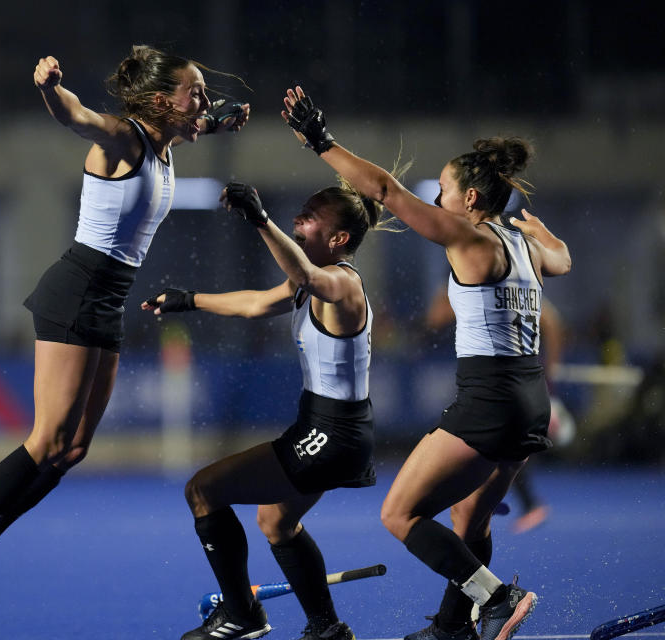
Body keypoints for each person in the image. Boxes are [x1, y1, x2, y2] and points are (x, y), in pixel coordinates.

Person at [0, 45, 250, 623]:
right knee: (46, 440)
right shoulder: (124, 139)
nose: (202, 100)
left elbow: (196, 124)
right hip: (77, 290)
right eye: (192, 91)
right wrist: (49, 89)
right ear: (157, 100)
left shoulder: (165, 149)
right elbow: (79, 118)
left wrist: (213, 121)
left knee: (71, 450)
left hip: (107, 300)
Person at [281, 87, 571, 640]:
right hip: (532, 402)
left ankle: (495, 597)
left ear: (469, 201)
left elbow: (385, 190)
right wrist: (539, 230)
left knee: (398, 514)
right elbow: (564, 258)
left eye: (442, 191)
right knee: (470, 520)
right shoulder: (525, 245)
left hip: (488, 401)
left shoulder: (465, 235)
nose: (436, 201)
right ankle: (450, 627)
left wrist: (323, 142)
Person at [143, 179, 395, 640]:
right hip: (331, 425)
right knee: (276, 520)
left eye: (311, 215)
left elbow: (307, 278)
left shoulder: (338, 282)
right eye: (300, 210)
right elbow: (256, 304)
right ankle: (325, 628)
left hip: (332, 433)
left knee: (203, 490)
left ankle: (242, 615)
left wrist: (260, 219)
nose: (300, 219)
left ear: (339, 239)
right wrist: (188, 300)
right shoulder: (308, 283)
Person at [424, 291, 573, 534]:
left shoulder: (502, 286)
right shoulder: (479, 288)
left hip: (507, 382)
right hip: (497, 380)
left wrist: (552, 369)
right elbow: (435, 320)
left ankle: (505, 500)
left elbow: (553, 323)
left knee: (490, 442)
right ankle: (504, 499)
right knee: (500, 444)